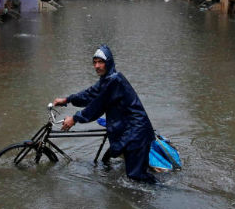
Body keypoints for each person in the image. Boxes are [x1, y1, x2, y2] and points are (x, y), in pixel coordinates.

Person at [53, 45, 157, 184]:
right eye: (94, 62)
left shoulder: (115, 81)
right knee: (134, 175)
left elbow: (97, 106)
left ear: (109, 62)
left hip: (135, 132)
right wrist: (67, 100)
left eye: (100, 62)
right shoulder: (107, 80)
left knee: (136, 177)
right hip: (129, 130)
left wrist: (74, 118)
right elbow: (89, 94)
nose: (97, 66)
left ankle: (161, 194)